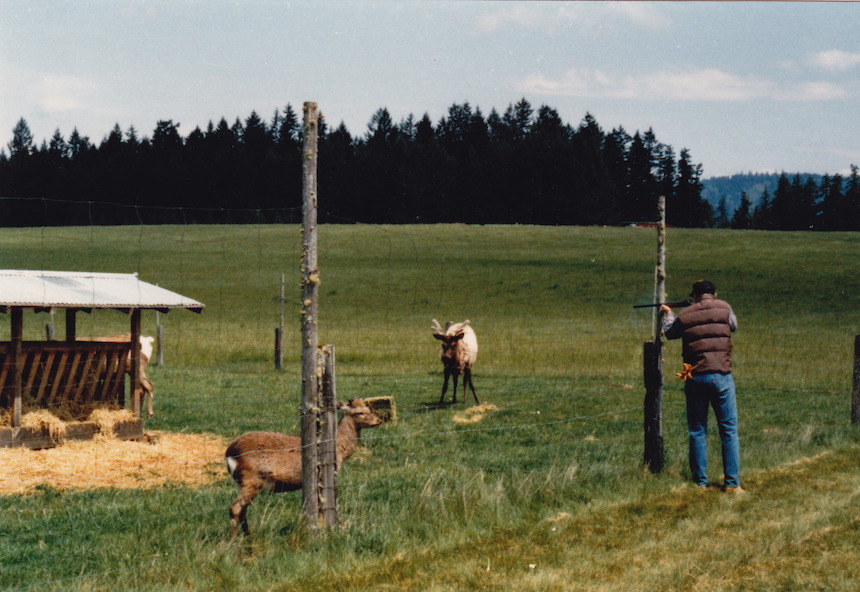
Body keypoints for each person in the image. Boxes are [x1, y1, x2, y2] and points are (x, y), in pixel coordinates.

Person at [661, 280, 744, 494]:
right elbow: (733, 325)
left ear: (695, 295)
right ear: (714, 294)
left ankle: (700, 483)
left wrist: (669, 314)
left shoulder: (685, 314)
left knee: (697, 431)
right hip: (722, 375)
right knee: (728, 431)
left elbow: (669, 333)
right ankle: (732, 484)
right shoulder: (725, 307)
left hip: (695, 377)